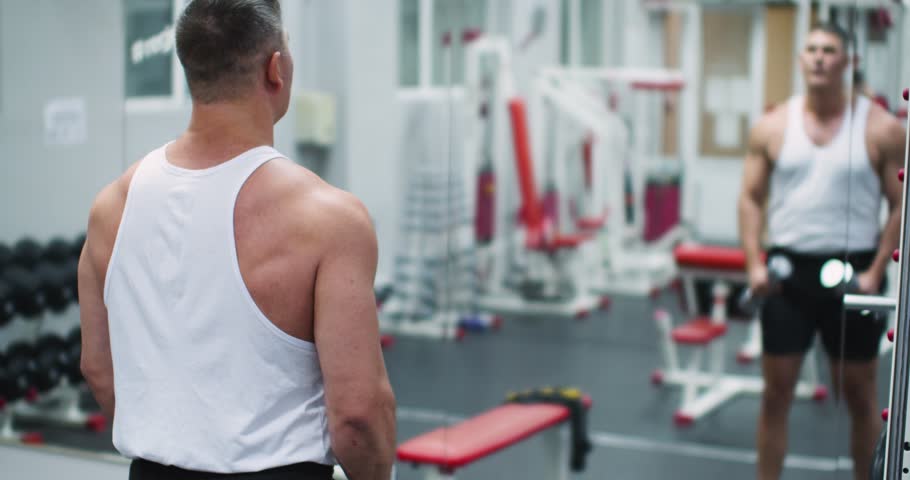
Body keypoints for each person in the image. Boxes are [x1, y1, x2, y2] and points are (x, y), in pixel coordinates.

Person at [77, 1, 396, 479]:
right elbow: (357, 416)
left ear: (191, 69)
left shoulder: (110, 208)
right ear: (276, 68)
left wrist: (179, 441)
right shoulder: (328, 218)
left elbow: (99, 370)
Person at [738, 22, 904, 480]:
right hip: (788, 273)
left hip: (855, 273)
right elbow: (750, 197)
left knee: (858, 394)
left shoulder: (882, 128)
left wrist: (874, 271)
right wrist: (754, 262)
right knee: (776, 394)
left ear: (848, 62)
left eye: (829, 50)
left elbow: (900, 204)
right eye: (810, 49)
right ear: (800, 60)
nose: (818, 57)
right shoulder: (772, 126)